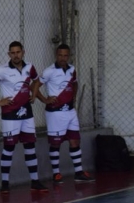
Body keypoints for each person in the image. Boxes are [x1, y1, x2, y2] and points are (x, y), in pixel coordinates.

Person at [0, 41, 49, 194]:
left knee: (30, 146)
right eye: (13, 53)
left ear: (23, 52)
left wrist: (34, 95)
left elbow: (36, 81)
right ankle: (5, 183)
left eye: (18, 52)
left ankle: (35, 181)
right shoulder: (2, 70)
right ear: (9, 54)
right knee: (9, 147)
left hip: (27, 113)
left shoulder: (30, 67)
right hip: (10, 114)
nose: (16, 55)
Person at [31, 44, 95, 183]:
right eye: (60, 55)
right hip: (55, 113)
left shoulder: (72, 69)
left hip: (70, 111)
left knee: (75, 140)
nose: (63, 58)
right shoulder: (49, 71)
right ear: (56, 55)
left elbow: (75, 83)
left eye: (65, 55)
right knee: (56, 143)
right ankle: (56, 174)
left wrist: (74, 96)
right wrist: (44, 100)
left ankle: (78, 172)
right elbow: (33, 86)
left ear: (69, 56)